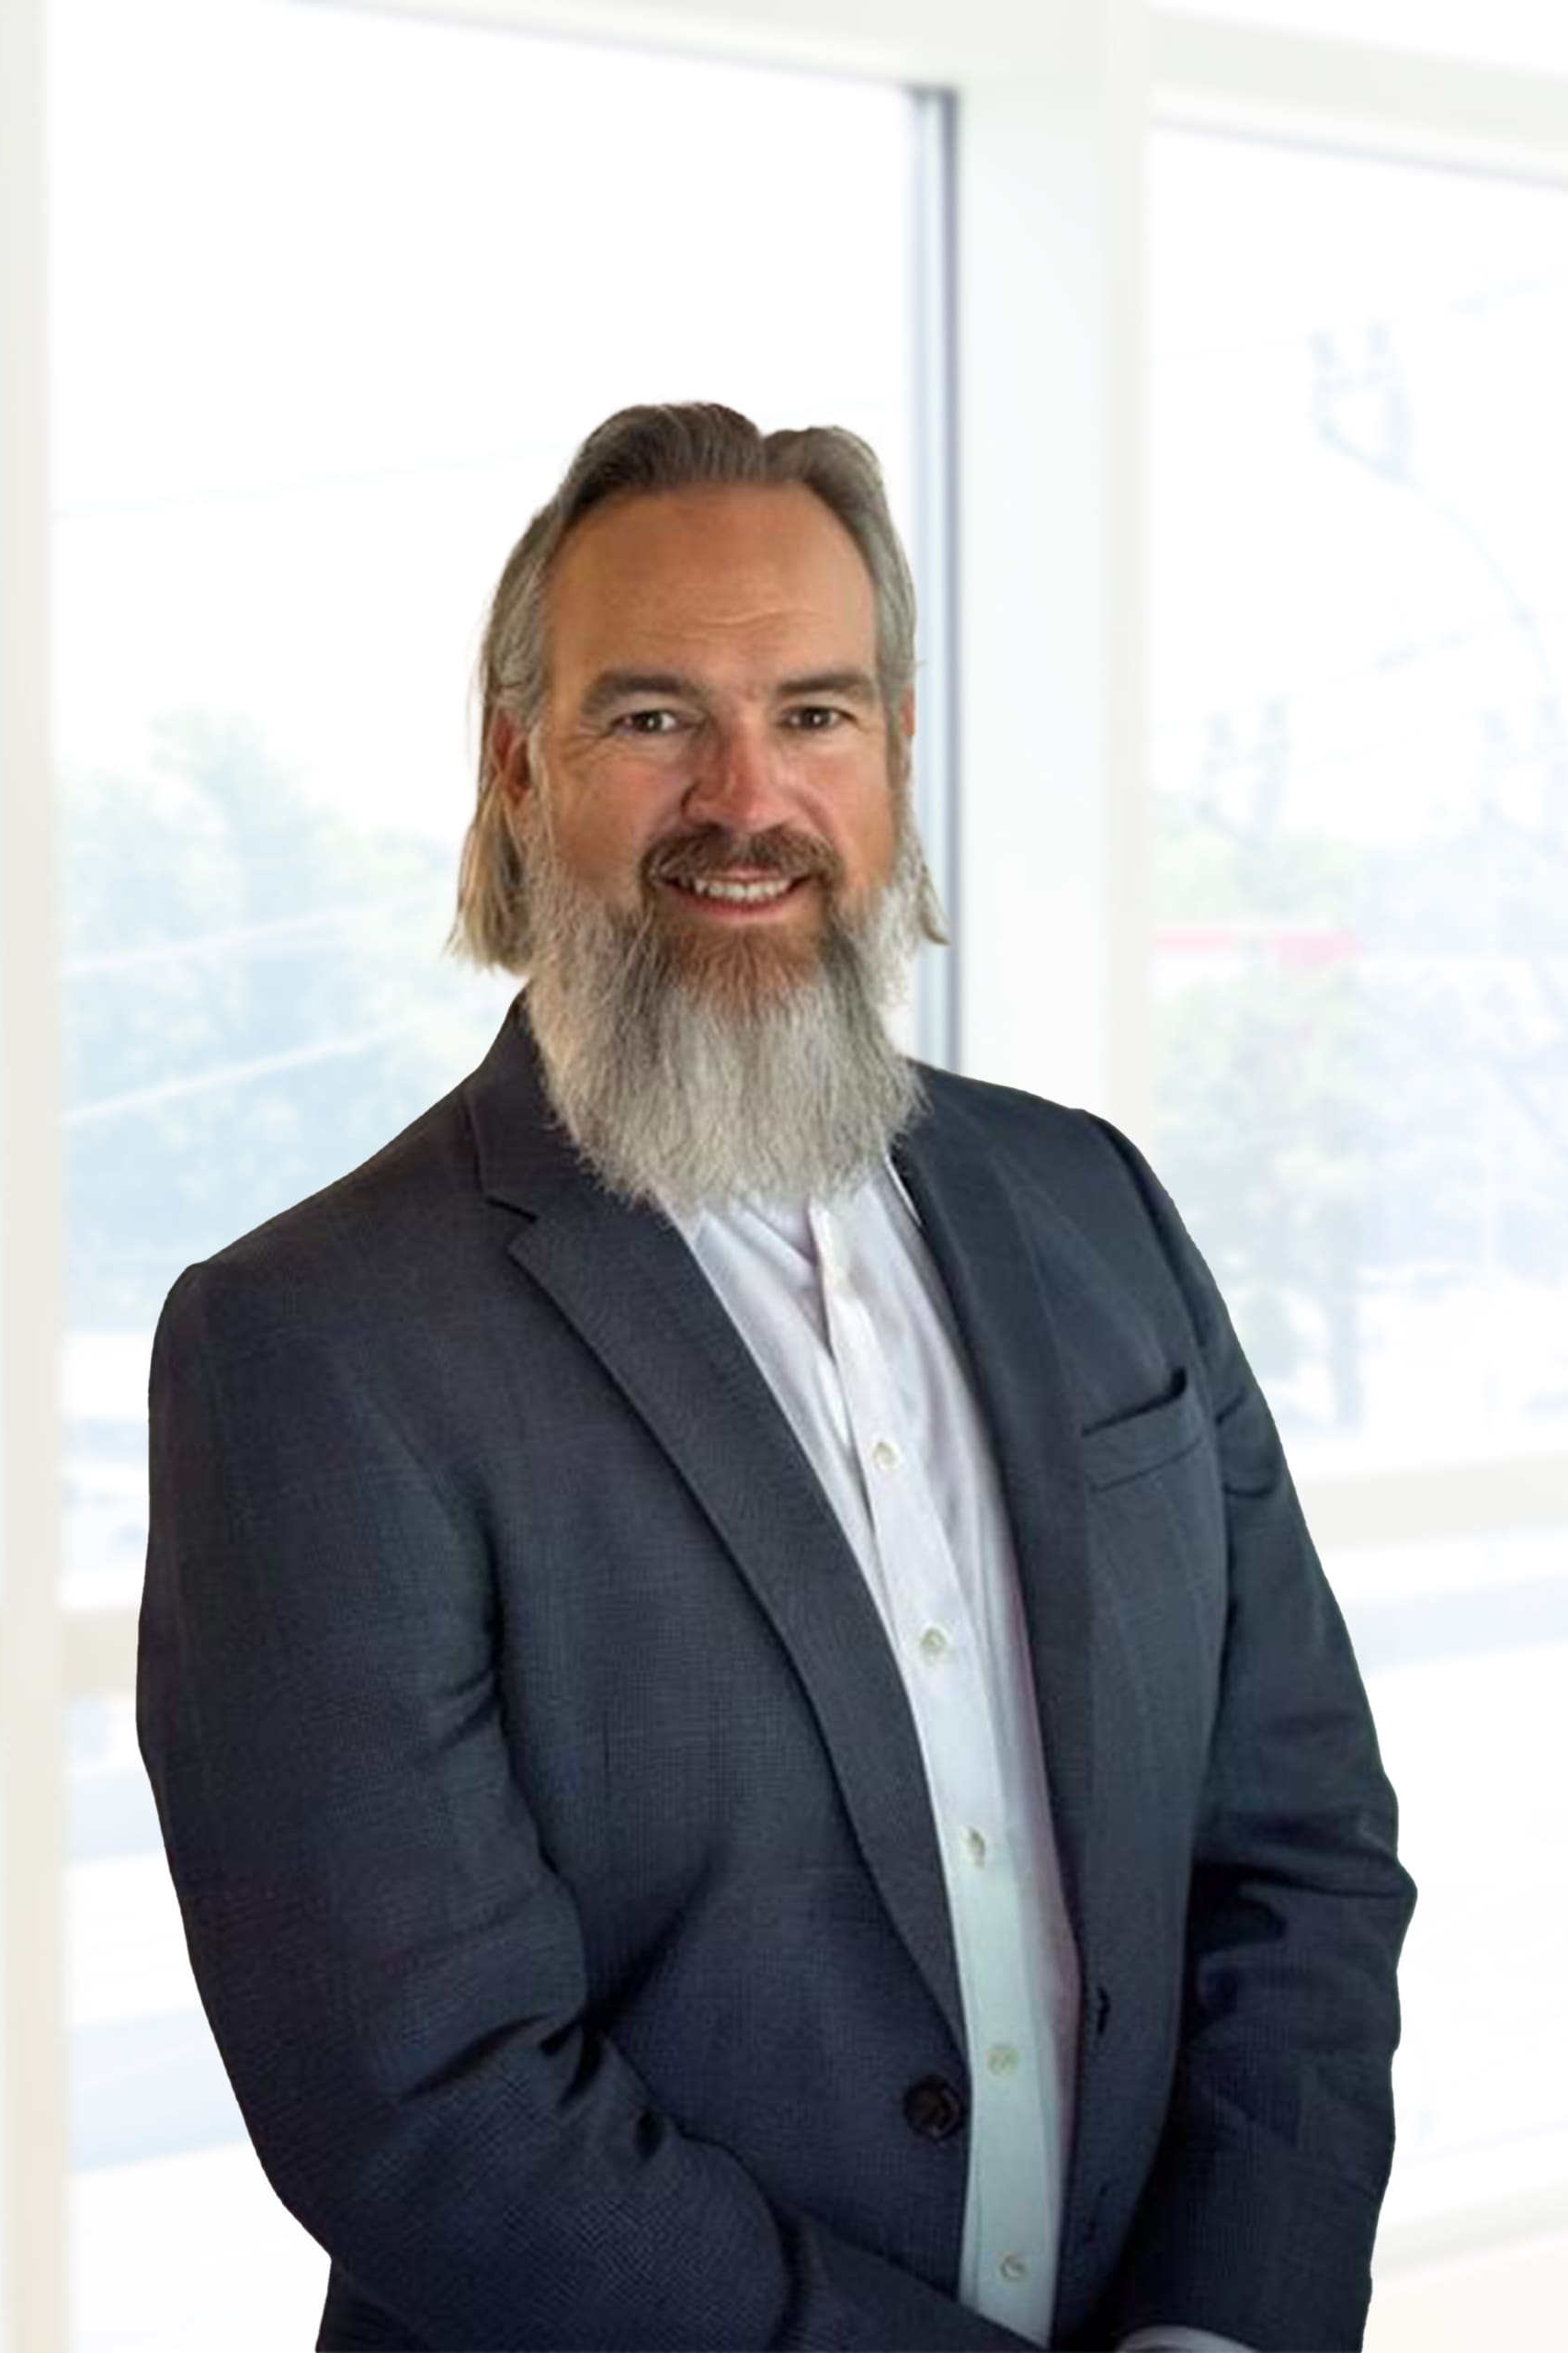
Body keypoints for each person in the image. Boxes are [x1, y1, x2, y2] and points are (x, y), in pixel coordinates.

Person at [138, 403, 1415, 2353]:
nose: (747, 794)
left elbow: (1302, 1849)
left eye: (815, 712)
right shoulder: (311, 1346)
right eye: (655, 716)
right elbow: (429, 2108)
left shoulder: (1097, 1206)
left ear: (895, 754)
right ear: (515, 766)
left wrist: (1223, 2322)